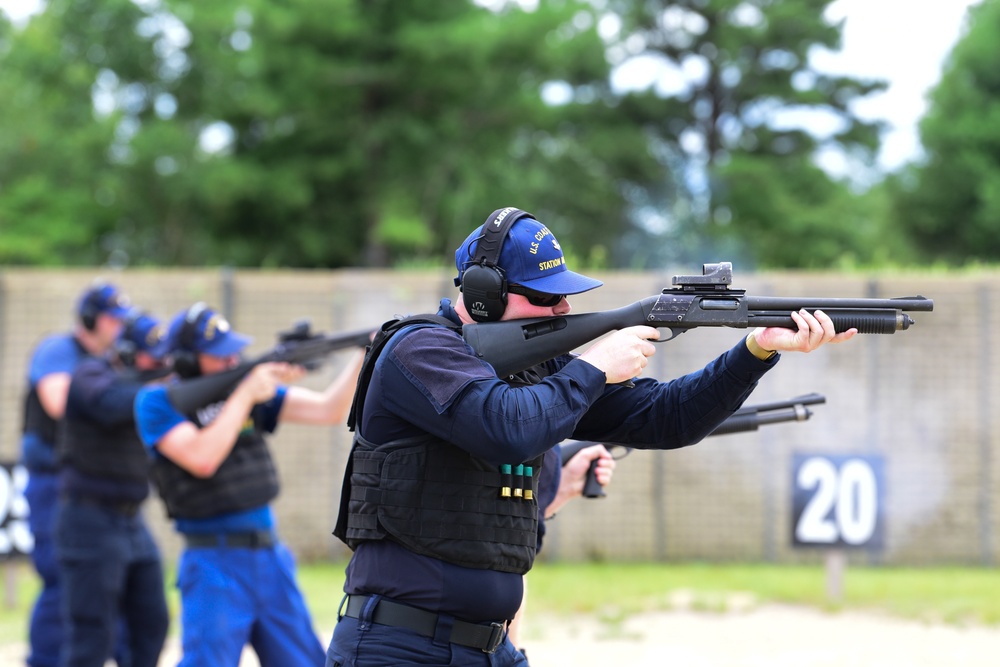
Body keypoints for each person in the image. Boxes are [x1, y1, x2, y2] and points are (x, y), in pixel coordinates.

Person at [326, 206, 856, 667]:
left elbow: (669, 417)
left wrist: (756, 350)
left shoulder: (538, 368)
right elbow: (507, 427)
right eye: (545, 298)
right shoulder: (418, 349)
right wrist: (595, 365)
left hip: (486, 648)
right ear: (484, 297)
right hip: (400, 646)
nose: (563, 310)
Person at [133, 303, 366, 666]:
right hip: (213, 561)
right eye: (219, 356)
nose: (231, 362)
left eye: (232, 353)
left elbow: (327, 410)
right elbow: (202, 458)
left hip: (270, 555)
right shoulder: (157, 402)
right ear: (184, 360)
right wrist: (245, 395)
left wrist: (363, 355)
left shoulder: (246, 390)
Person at [21, 282, 132, 667]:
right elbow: (58, 403)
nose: (118, 327)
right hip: (54, 483)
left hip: (95, 486)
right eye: (111, 319)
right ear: (89, 319)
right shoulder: (59, 350)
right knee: (61, 579)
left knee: (107, 584)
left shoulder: (112, 363)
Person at [53, 308, 172, 667]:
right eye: (153, 356)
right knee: (91, 636)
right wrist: (166, 389)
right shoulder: (91, 373)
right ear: (127, 354)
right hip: (88, 519)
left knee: (153, 622)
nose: (161, 363)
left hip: (133, 521)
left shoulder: (153, 384)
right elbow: (112, 405)